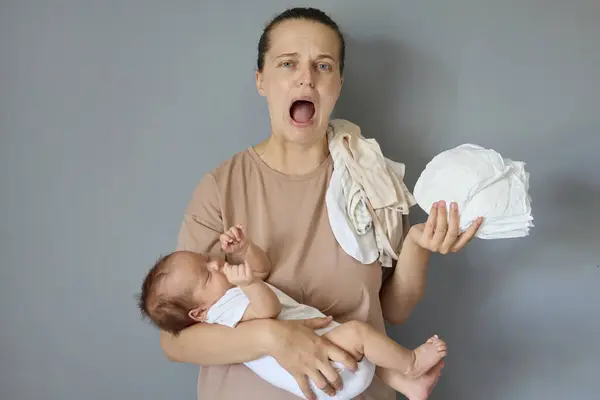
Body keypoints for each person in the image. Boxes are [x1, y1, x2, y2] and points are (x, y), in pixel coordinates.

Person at [158, 6, 483, 400]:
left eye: (323, 66)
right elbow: (176, 342)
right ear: (261, 80)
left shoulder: (372, 179)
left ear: (338, 84)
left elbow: (393, 311)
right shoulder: (220, 187)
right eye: (287, 63)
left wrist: (417, 244)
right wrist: (273, 336)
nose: (306, 78)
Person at [139, 225, 449, 400]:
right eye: (207, 274)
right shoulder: (224, 311)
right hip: (320, 373)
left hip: (327, 358)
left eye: (208, 259)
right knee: (359, 333)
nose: (216, 264)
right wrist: (247, 283)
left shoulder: (227, 288)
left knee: (364, 347)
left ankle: (408, 385)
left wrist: (245, 250)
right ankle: (411, 365)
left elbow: (262, 269)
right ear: (199, 313)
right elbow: (267, 309)